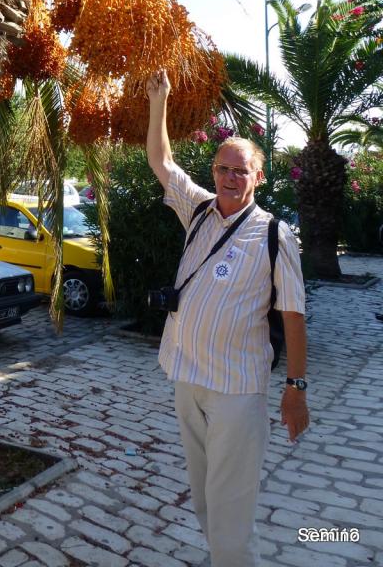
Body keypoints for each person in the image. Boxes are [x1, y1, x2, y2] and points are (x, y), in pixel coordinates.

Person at [145, 68, 309, 567]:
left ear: (258, 177)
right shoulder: (197, 211)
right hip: (186, 379)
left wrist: (296, 389)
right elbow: (162, 160)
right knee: (204, 503)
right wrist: (160, 102)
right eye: (223, 169)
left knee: (231, 513)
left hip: (237, 391)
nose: (230, 178)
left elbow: (294, 315)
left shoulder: (272, 233)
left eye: (241, 171)